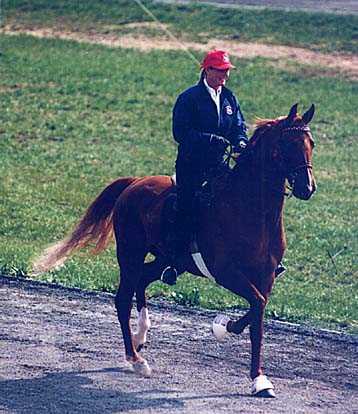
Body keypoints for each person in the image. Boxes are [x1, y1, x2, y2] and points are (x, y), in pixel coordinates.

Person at [161, 50, 285, 284]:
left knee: (246, 199)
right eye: (220, 71)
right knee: (187, 206)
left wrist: (240, 140)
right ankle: (174, 261)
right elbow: (181, 133)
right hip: (193, 167)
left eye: (227, 71)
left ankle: (259, 256)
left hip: (218, 165)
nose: (225, 76)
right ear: (207, 70)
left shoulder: (229, 98)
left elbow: (238, 125)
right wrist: (209, 139)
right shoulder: (189, 98)